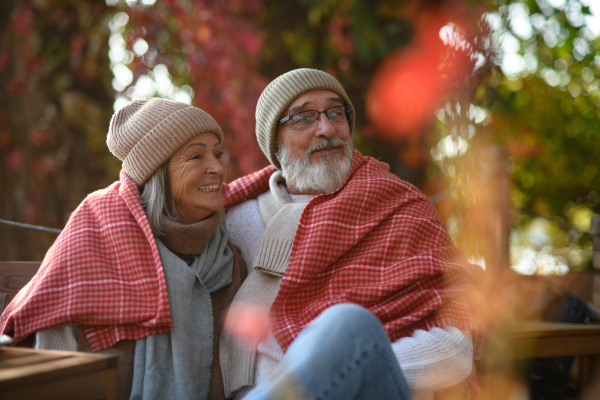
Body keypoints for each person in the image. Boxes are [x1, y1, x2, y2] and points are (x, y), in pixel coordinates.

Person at [219, 68, 483, 400]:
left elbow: (455, 352)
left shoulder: (402, 208)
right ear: (275, 141)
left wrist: (343, 372)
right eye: (304, 118)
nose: (326, 128)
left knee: (348, 325)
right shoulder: (238, 220)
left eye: (336, 113)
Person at [0, 98, 246, 400]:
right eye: (196, 156)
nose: (217, 167)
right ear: (157, 173)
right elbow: (51, 351)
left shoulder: (227, 258)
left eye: (218, 154)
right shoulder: (95, 235)